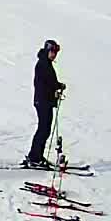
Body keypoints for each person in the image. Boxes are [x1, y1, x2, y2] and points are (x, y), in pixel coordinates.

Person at [25, 40, 65, 168]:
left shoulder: (45, 63)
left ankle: (36, 156)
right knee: (43, 129)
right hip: (43, 101)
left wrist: (57, 87)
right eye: (52, 52)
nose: (54, 55)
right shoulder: (43, 64)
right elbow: (46, 83)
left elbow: (50, 82)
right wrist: (57, 87)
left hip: (44, 101)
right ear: (47, 51)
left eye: (55, 52)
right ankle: (34, 157)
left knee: (44, 129)